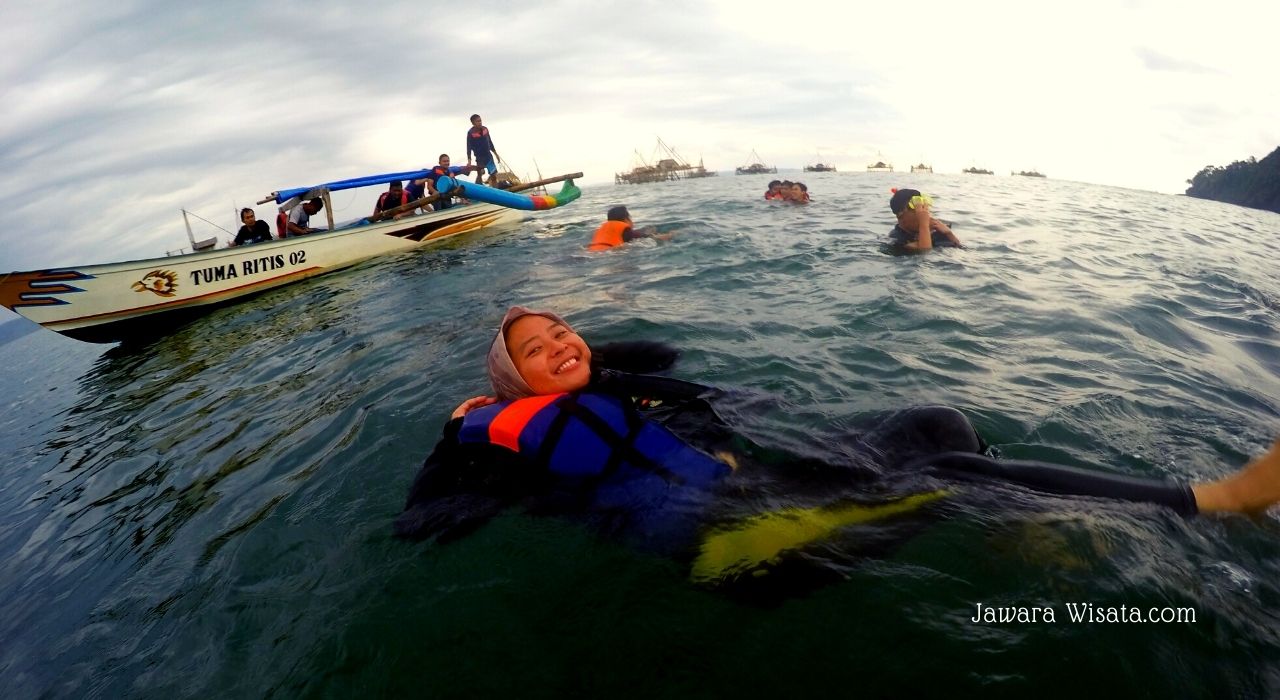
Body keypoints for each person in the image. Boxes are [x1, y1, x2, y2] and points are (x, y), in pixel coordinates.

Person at [395, 306, 1280, 593]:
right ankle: (1215, 499)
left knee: (938, 421)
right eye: (534, 349)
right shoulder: (500, 438)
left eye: (565, 332)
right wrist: (456, 441)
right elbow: (427, 520)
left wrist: (591, 364)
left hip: (764, 482)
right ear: (505, 382)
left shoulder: (615, 388)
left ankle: (1016, 526)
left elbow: (664, 357)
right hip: (732, 547)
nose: (559, 344)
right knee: (952, 467)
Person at [887, 188, 961, 251]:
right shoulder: (897, 238)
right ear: (900, 215)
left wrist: (949, 234)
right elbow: (925, 252)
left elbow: (958, 248)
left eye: (924, 210)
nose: (925, 216)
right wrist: (924, 224)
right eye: (918, 213)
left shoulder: (934, 231)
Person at [587, 205, 672, 251]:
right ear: (626, 219)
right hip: (607, 254)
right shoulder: (626, 231)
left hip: (590, 252)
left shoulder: (603, 229)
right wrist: (669, 235)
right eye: (630, 218)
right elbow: (650, 238)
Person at [465, 114, 501, 186]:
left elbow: (490, 142)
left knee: (493, 174)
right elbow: (469, 147)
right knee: (481, 172)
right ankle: (477, 188)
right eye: (477, 121)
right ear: (473, 123)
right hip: (480, 157)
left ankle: (495, 190)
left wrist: (496, 154)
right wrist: (469, 160)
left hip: (488, 156)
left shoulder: (485, 129)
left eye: (480, 120)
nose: (480, 122)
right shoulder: (471, 133)